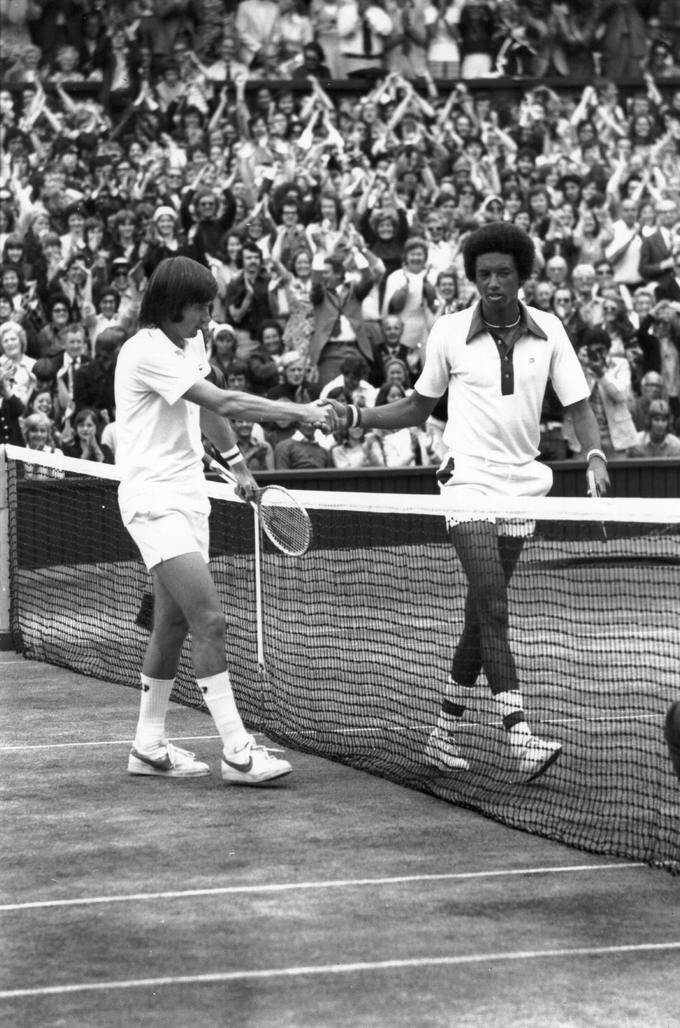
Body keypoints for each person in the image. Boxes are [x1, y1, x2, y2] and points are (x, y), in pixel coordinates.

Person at [326, 223, 610, 782]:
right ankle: (520, 737)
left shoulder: (550, 331)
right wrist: (358, 416)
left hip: (523, 484)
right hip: (468, 481)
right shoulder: (449, 332)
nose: (494, 283)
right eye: (484, 275)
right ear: (472, 278)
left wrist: (596, 454)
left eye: (504, 273)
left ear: (521, 275)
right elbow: (414, 409)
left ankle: (442, 733)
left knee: (483, 612)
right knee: (494, 605)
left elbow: (578, 406)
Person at [114, 256, 336, 784]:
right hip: (154, 502)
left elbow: (207, 407)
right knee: (210, 620)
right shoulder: (144, 351)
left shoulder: (190, 342)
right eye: (200, 307)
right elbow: (224, 399)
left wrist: (238, 465)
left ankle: (147, 745)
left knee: (169, 622)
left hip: (192, 497)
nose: (207, 317)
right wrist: (301, 412)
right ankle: (238, 751)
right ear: (173, 306)